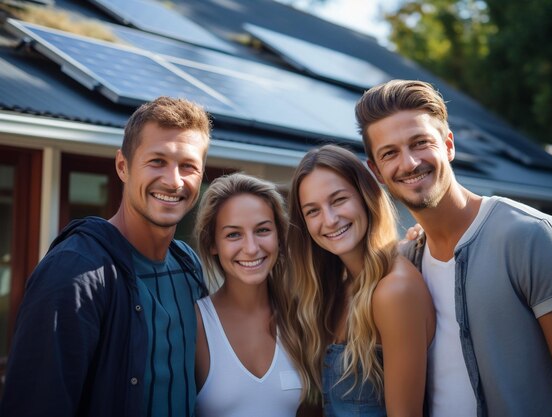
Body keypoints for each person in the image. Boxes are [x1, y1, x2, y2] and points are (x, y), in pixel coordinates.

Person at [355, 79, 552, 417]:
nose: (408, 163)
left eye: (420, 143)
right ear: (375, 170)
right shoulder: (407, 264)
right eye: (389, 153)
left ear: (448, 145)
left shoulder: (531, 238)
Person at [0, 97, 211, 417]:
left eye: (188, 166)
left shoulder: (188, 266)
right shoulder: (73, 273)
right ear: (122, 166)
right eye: (157, 161)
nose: (173, 180)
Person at [287, 144, 435, 417]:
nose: (329, 220)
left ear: (365, 195)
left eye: (339, 199)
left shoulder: (394, 290)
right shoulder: (337, 290)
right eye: (312, 211)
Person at [193, 173, 315, 417]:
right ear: (213, 244)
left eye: (262, 230)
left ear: (279, 237)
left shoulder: (300, 318)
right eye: (233, 234)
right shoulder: (195, 322)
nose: (251, 248)